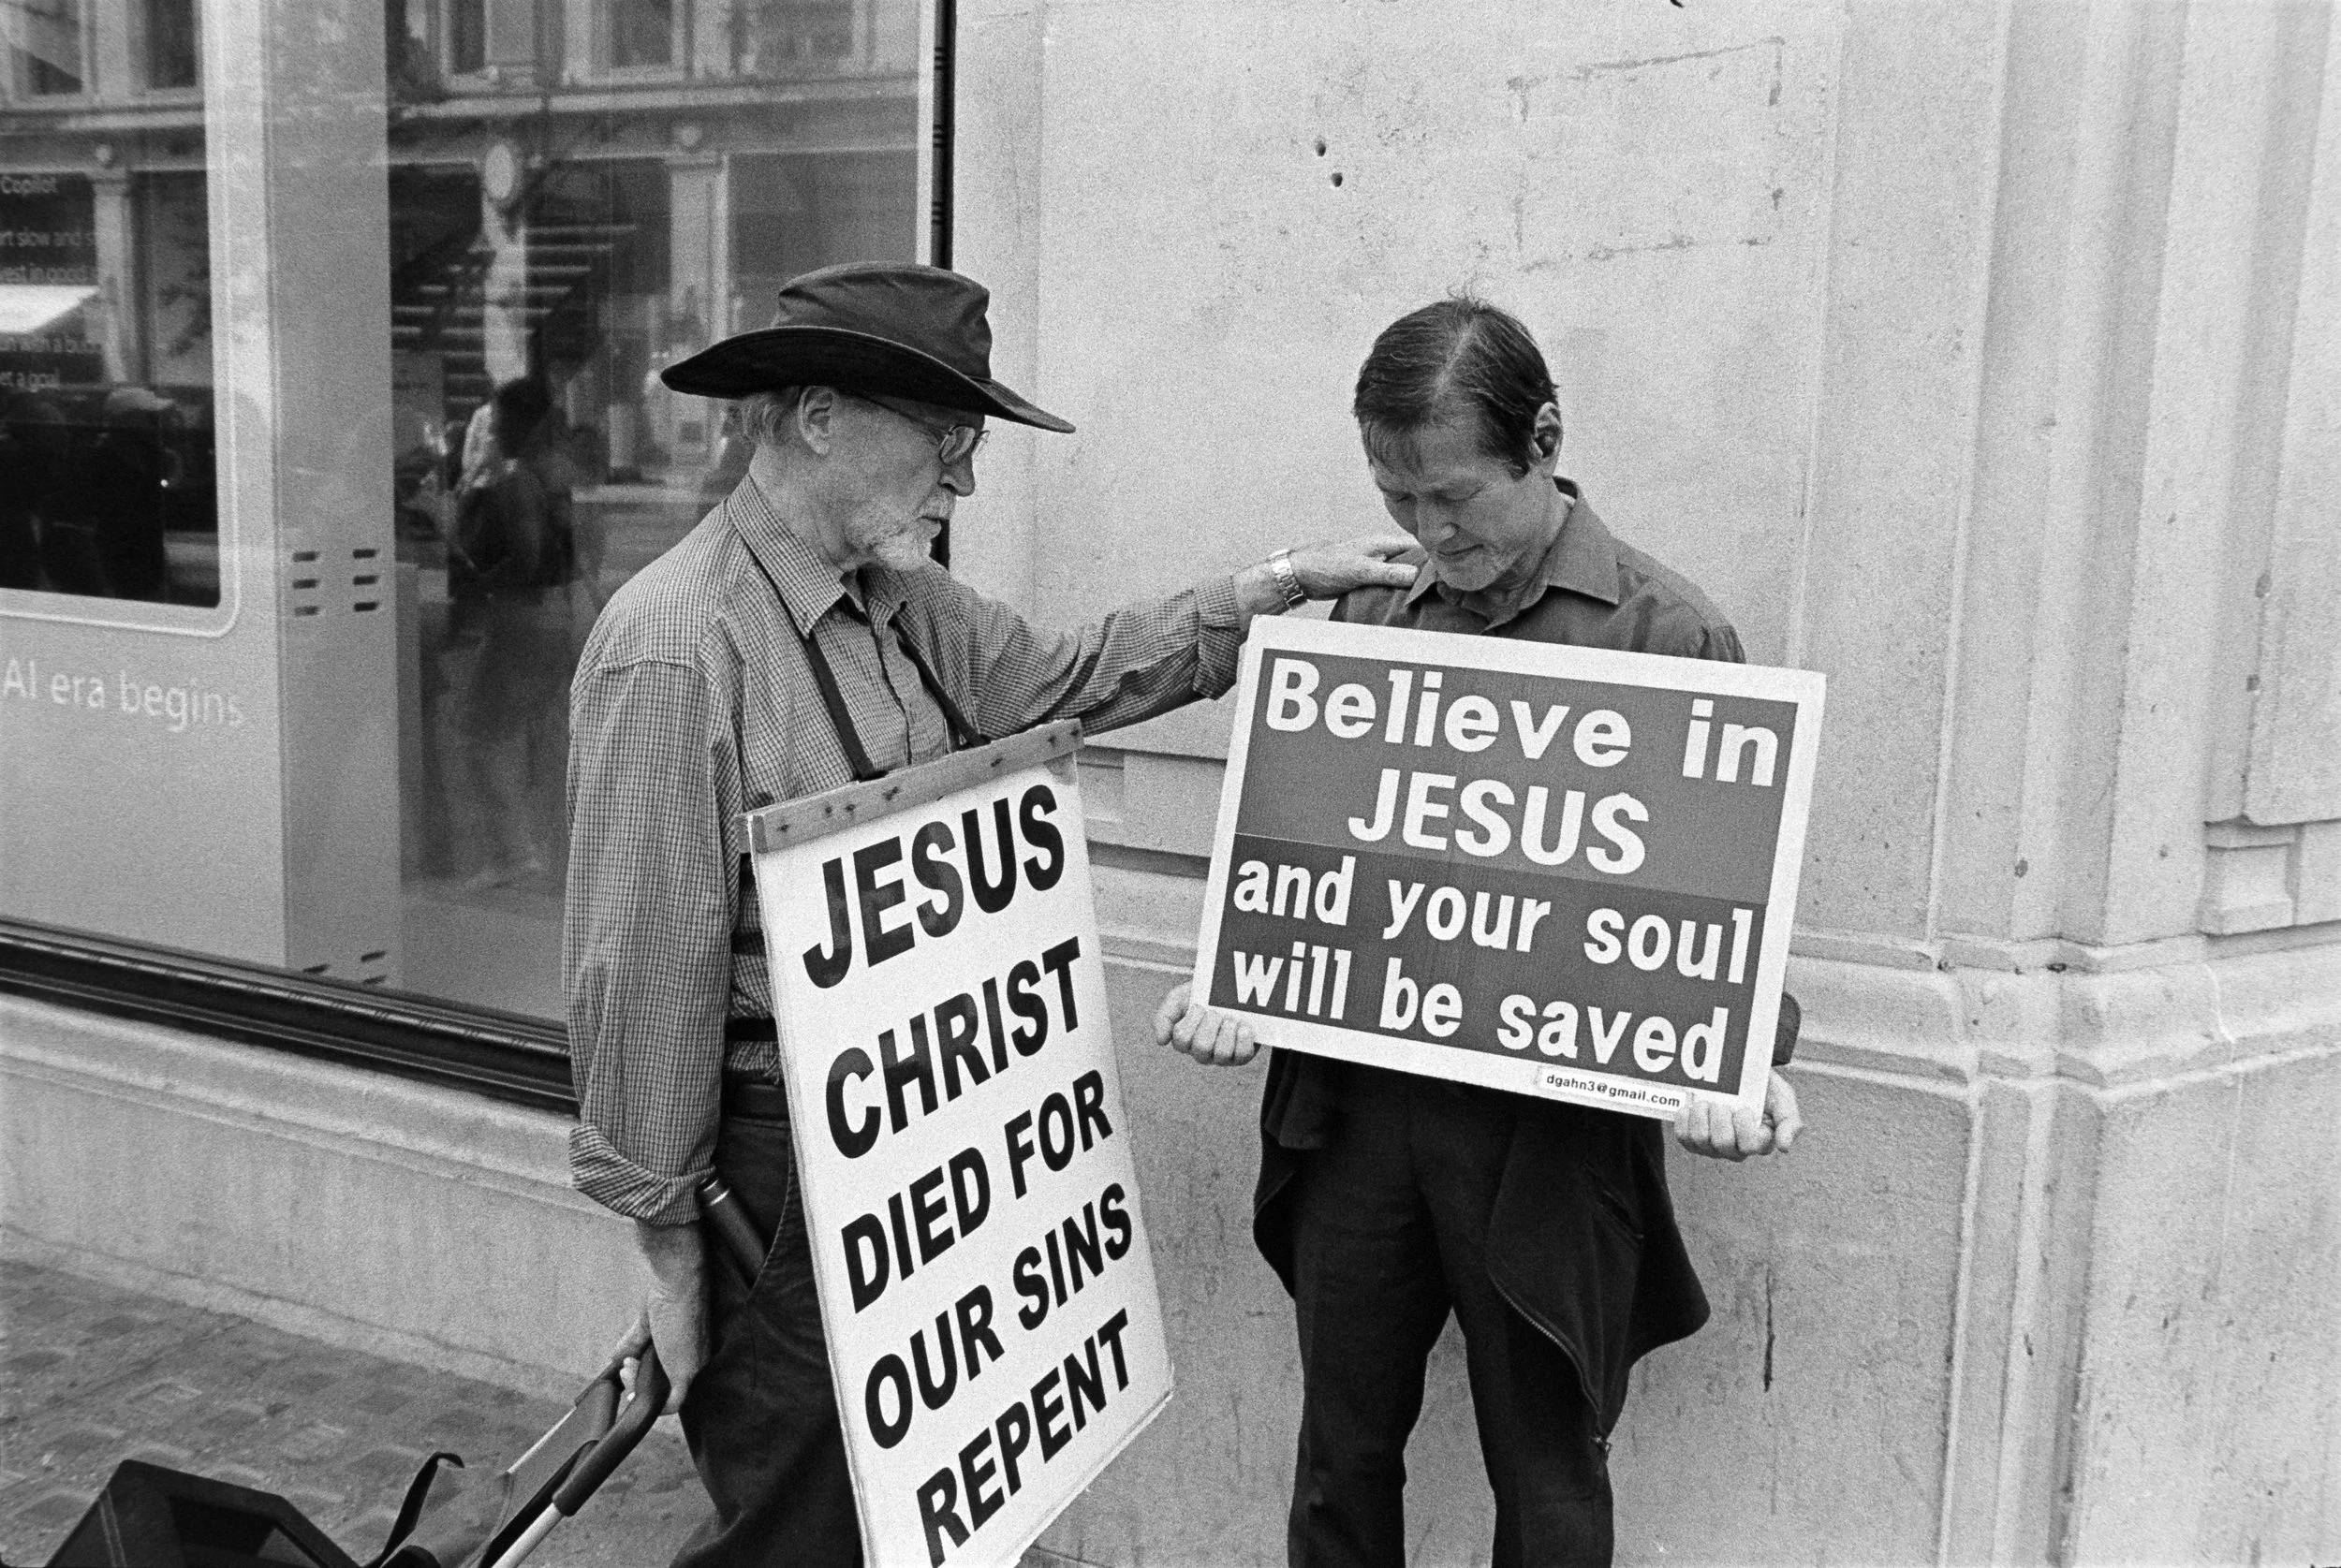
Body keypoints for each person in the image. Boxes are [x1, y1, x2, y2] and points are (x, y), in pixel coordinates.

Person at [561, 259, 1421, 1568]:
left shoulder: (904, 603)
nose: (961, 483)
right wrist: (670, 1247)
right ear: (818, 417)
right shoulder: (677, 643)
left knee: (922, 1512)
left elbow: (1059, 676)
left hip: (923, 1138)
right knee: (804, 1519)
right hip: (787, 1156)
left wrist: (1265, 590)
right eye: (947, 442)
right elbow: (646, 976)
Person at [1153, 295, 1806, 1568]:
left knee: (1548, 1478)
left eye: (1452, 497)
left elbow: (1724, 912)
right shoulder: (1374, 615)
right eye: (1399, 502)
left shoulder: (1670, 632)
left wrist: (1742, 1063)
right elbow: (1314, 860)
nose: (1427, 534)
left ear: (1544, 438)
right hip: (1355, 1118)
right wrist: (1248, 975)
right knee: (1340, 1459)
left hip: (1550, 1139)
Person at [449, 376, 581, 888]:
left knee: (485, 731)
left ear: (522, 424)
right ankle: (544, 849)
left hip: (521, 621)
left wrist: (481, 575)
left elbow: (526, 559)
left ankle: (515, 850)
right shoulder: (560, 475)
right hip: (557, 618)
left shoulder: (521, 483)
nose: (494, 430)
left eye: (501, 421)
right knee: (541, 737)